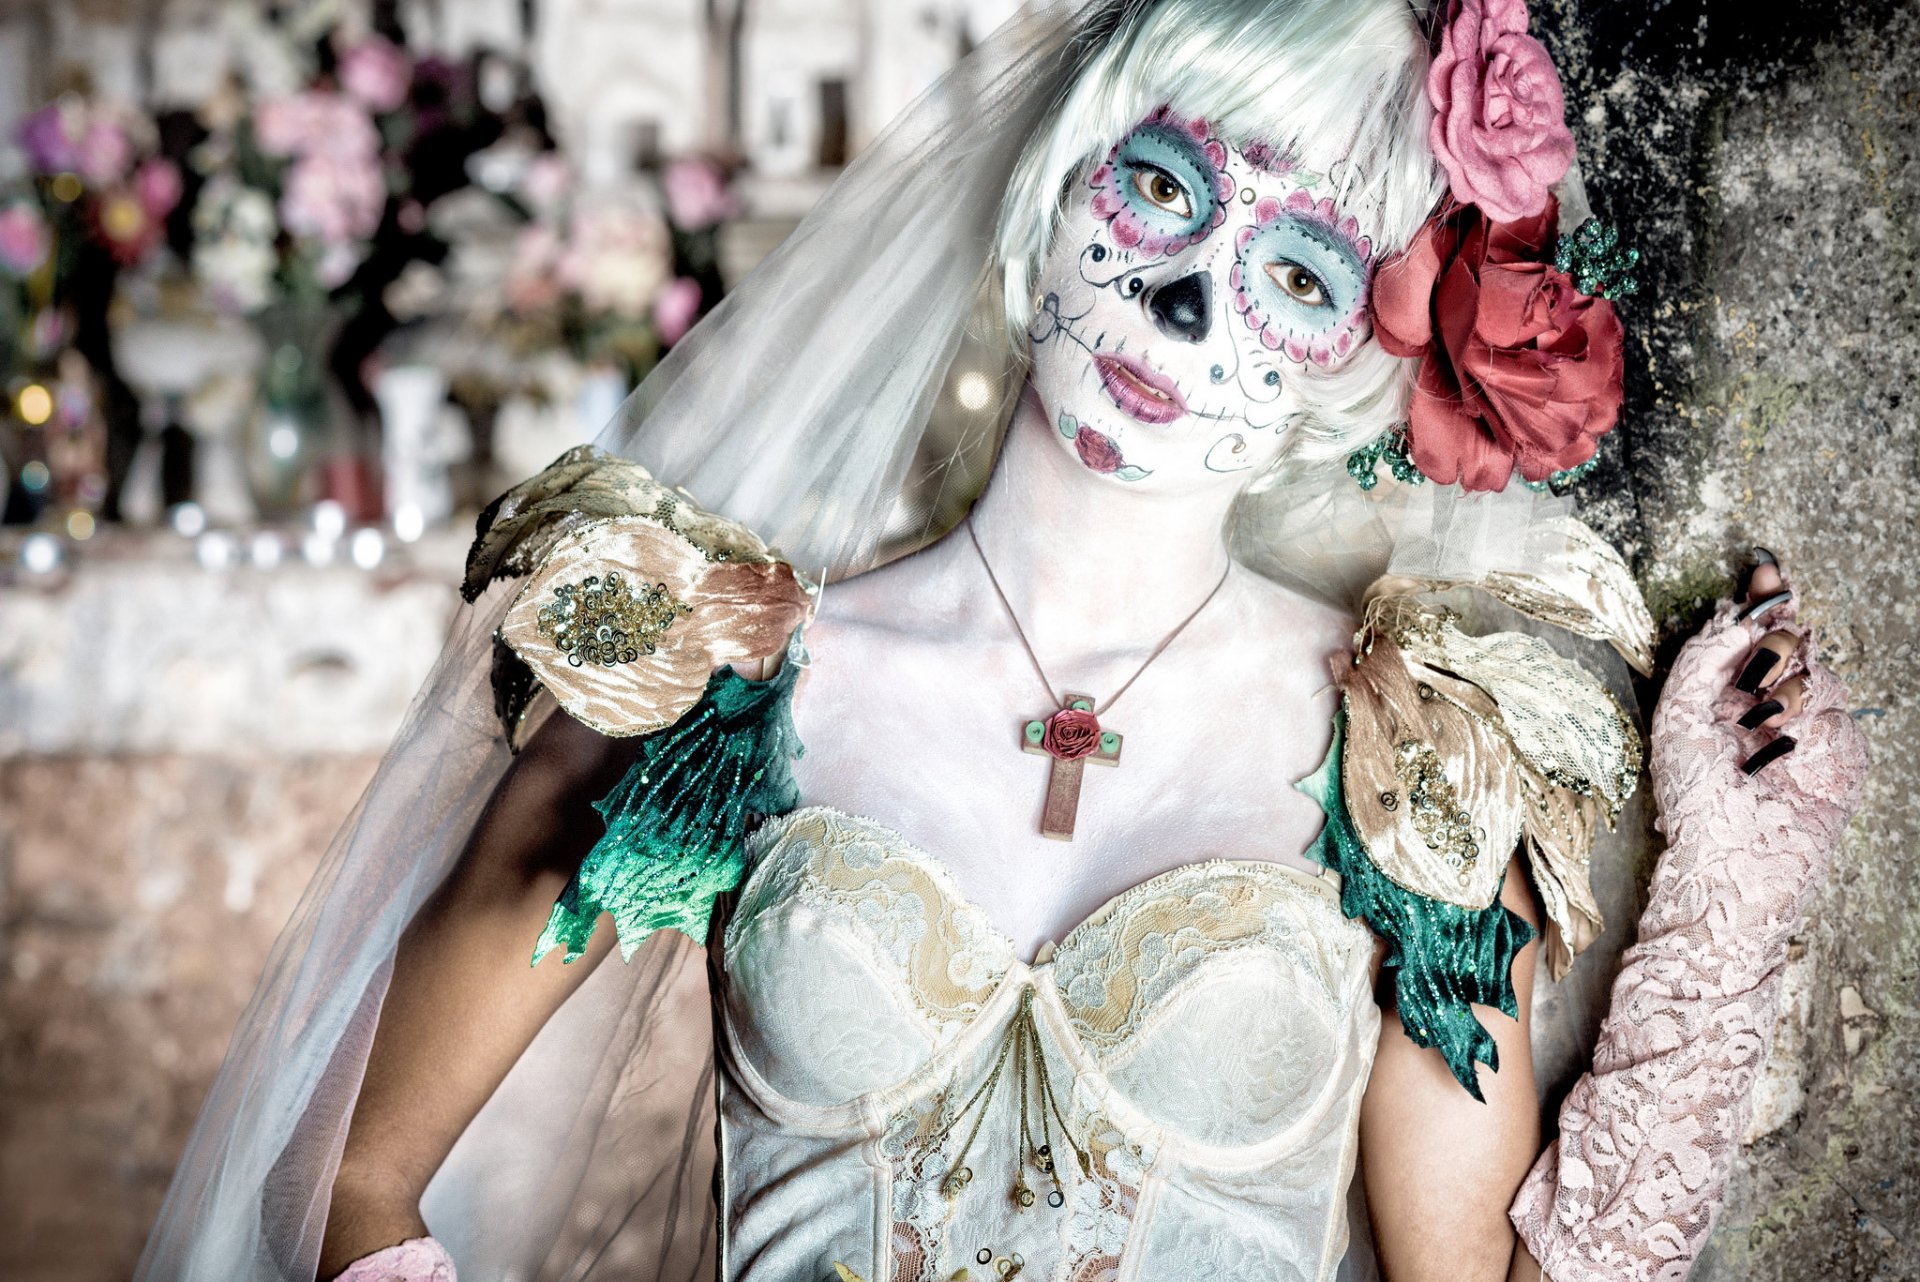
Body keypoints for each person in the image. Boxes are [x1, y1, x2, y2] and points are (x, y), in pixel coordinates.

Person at [137, 2, 1870, 1280]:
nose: (1190, 301)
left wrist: (1725, 904)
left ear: (1358, 347)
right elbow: (349, 1175)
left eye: (1291, 272)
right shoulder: (728, 671)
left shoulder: (1418, 751)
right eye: (1171, 189)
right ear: (1058, 188)